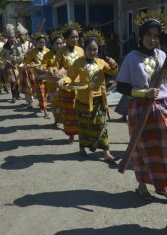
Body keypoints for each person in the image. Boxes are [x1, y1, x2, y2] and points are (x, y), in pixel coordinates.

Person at [116, 9, 167, 203]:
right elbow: (121, 86)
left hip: (161, 108)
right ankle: (142, 186)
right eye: (149, 35)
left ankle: (163, 185)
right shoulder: (131, 57)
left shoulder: (162, 54)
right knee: (142, 150)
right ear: (141, 35)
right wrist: (143, 93)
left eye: (156, 36)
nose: (152, 39)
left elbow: (166, 78)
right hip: (139, 110)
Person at [59, 29, 119, 161]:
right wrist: (64, 80)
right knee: (83, 125)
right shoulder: (78, 62)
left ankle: (106, 152)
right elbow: (71, 76)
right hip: (83, 100)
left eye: (95, 49)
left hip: (99, 101)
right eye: (90, 49)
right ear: (85, 49)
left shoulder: (101, 62)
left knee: (101, 126)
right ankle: (82, 147)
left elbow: (113, 73)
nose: (93, 52)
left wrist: (114, 65)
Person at [56, 22, 84, 143]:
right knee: (69, 111)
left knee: (81, 110)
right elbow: (56, 68)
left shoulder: (81, 50)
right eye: (72, 37)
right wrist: (59, 73)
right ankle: (71, 134)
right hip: (66, 86)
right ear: (66, 38)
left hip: (81, 85)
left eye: (76, 37)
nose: (75, 39)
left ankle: (82, 134)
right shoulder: (61, 51)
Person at [41, 31, 66, 123]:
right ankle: (57, 119)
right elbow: (43, 65)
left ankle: (66, 120)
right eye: (57, 43)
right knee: (55, 101)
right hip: (52, 82)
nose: (59, 45)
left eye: (61, 43)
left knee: (65, 101)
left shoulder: (66, 54)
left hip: (65, 81)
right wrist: (47, 68)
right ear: (53, 44)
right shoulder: (48, 55)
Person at [23, 33, 50, 114]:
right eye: (40, 42)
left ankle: (42, 105)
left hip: (47, 74)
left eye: (43, 42)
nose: (42, 44)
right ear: (36, 43)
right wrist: (35, 65)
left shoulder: (48, 51)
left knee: (46, 92)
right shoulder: (33, 52)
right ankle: (44, 109)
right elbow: (27, 63)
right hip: (37, 74)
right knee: (41, 92)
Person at [11, 23, 33, 106]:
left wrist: (30, 55)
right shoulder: (15, 46)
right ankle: (29, 101)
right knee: (27, 85)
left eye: (22, 35)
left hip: (31, 67)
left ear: (26, 35)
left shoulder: (31, 44)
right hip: (22, 68)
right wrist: (23, 56)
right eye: (19, 35)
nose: (21, 37)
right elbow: (14, 58)